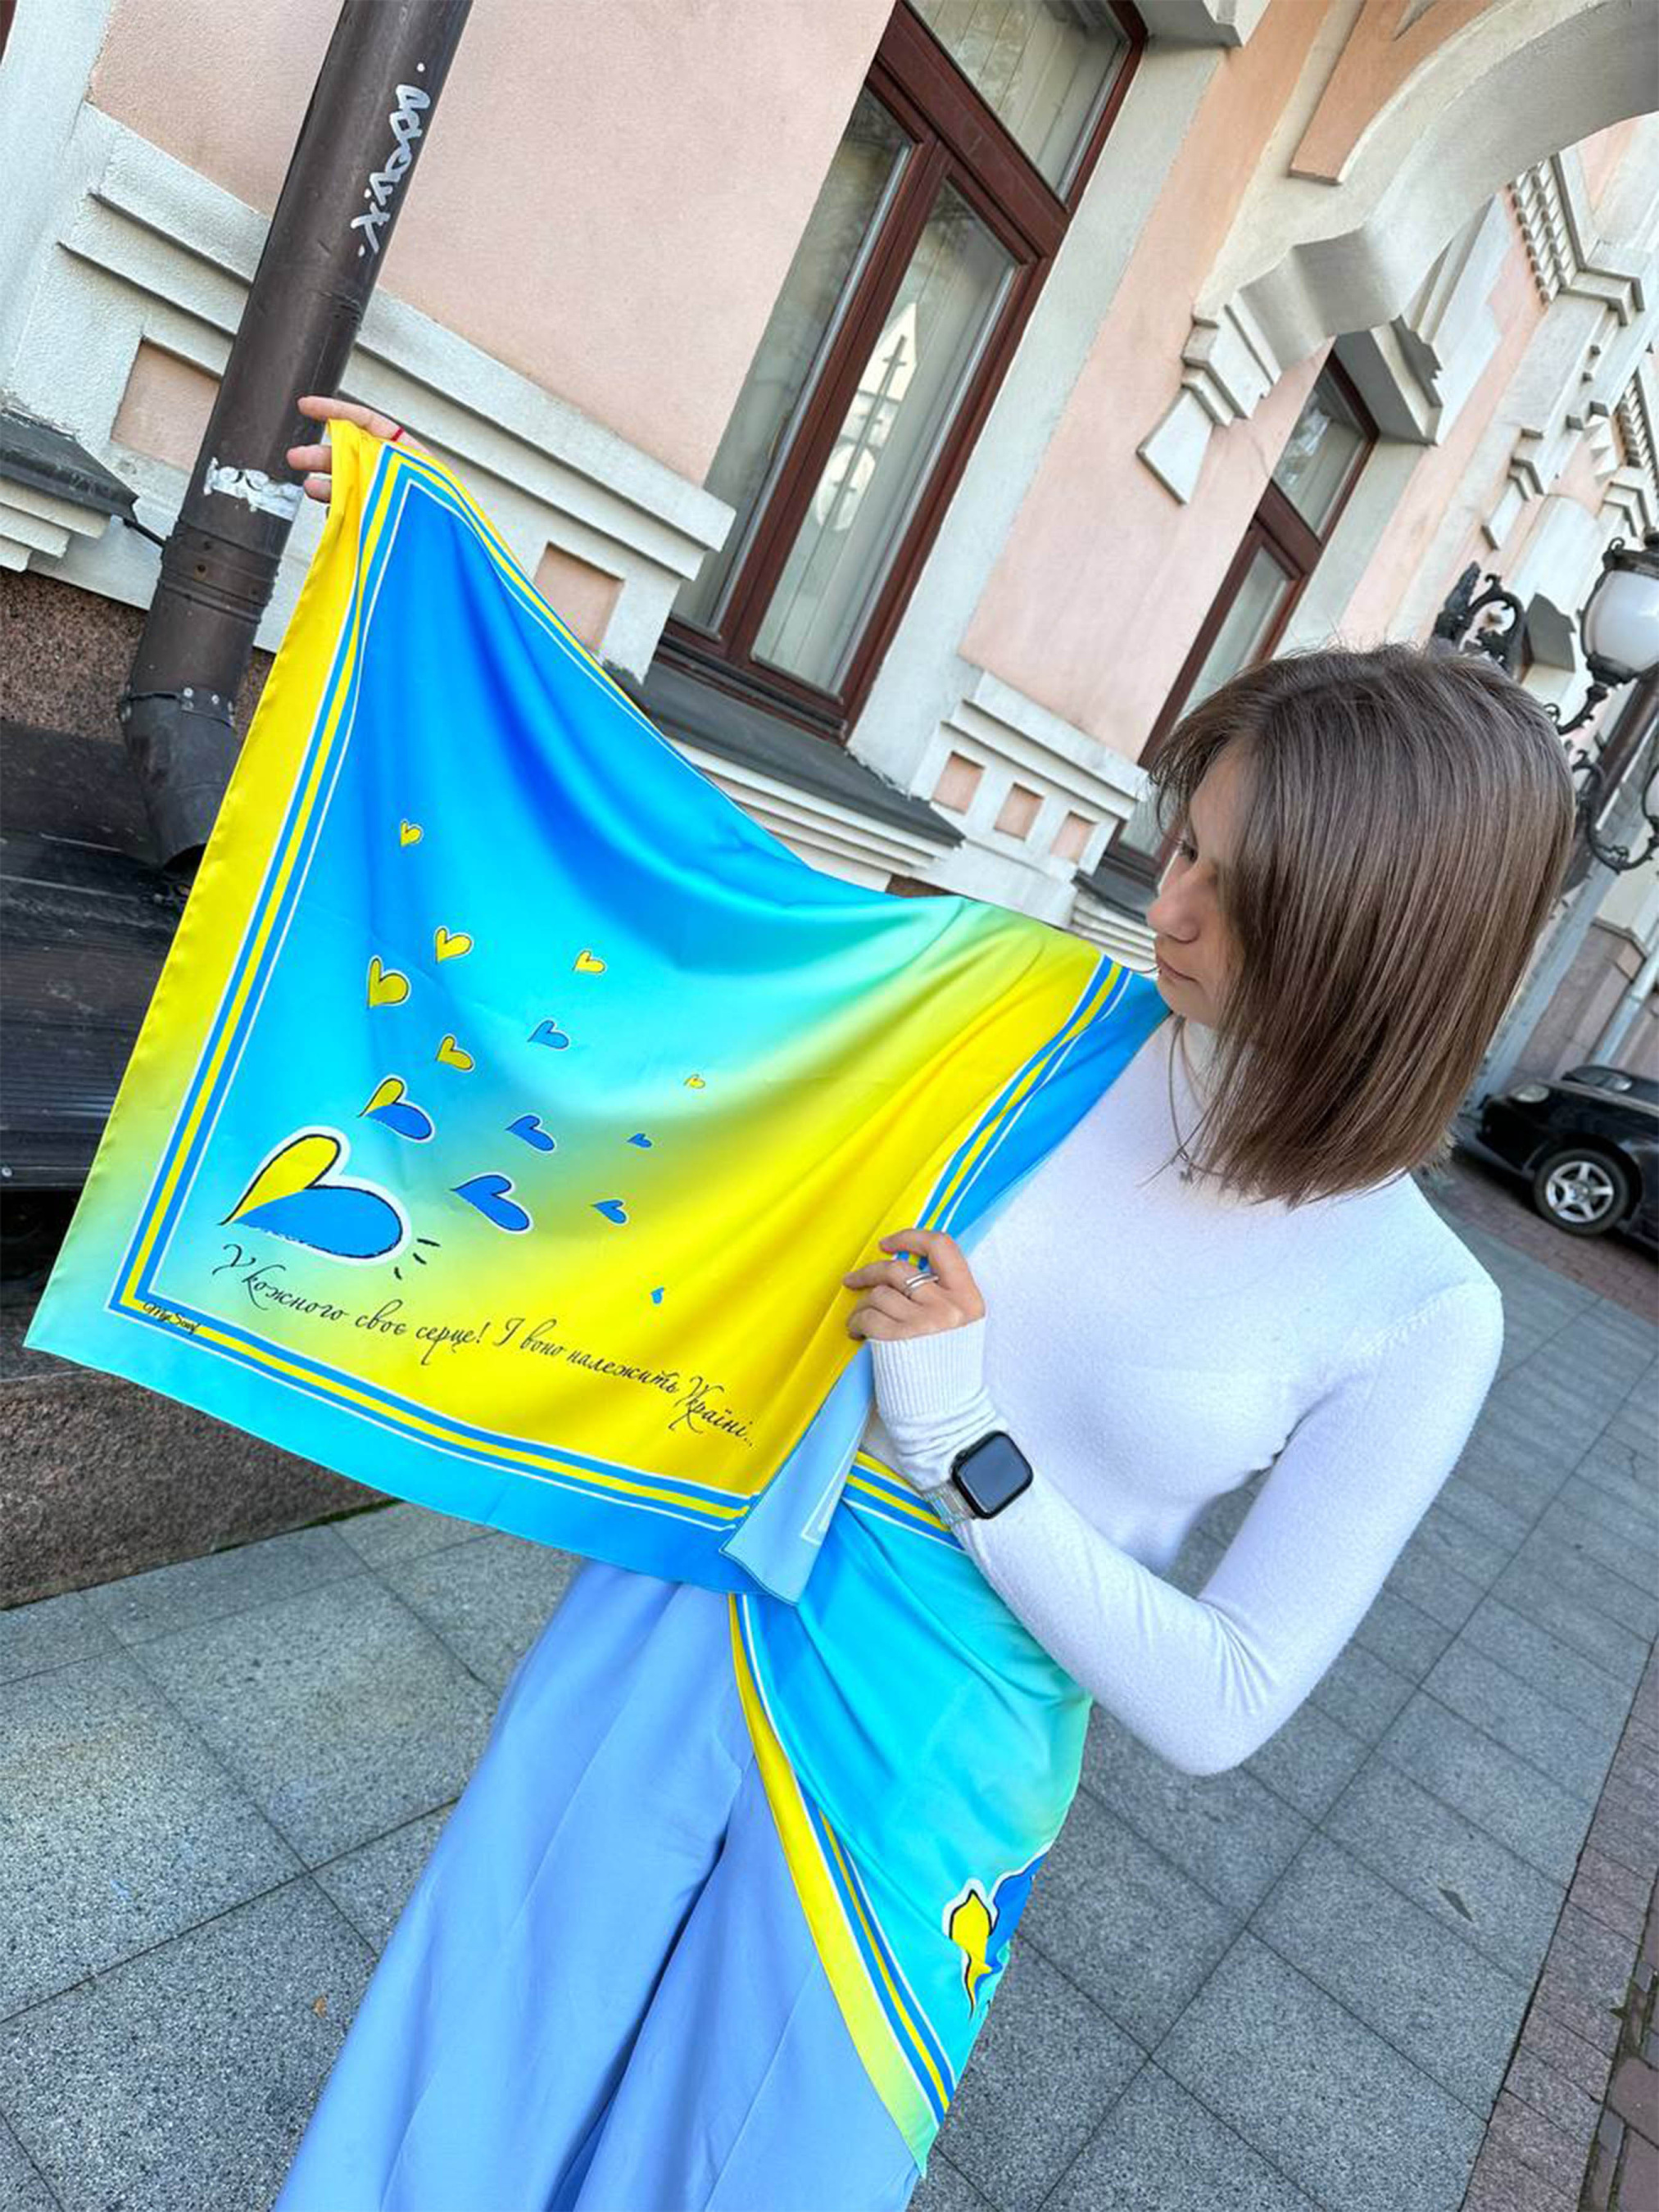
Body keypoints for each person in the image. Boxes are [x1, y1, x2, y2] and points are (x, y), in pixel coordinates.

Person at [271, 397, 1577, 2212]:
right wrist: (426, 577)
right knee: (477, 2056)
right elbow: (682, 926)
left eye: (1238, 889)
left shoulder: (1417, 1306)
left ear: (1381, 945)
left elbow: (1223, 1700)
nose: (1170, 910)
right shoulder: (1026, 1011)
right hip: (700, 1597)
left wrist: (966, 1442)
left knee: (743, 2170)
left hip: (933, 1758)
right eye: (1182, 845)